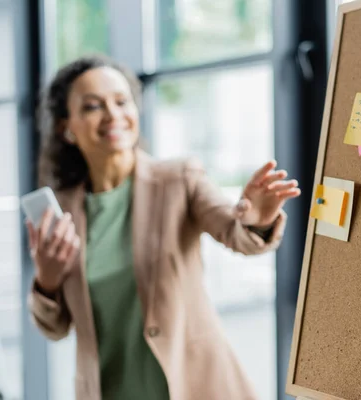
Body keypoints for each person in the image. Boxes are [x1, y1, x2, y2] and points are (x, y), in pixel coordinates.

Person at [26, 54, 301, 400]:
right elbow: (54, 328)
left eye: (122, 101)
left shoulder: (178, 179)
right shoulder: (60, 212)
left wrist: (257, 220)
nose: (113, 115)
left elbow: (235, 231)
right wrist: (46, 281)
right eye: (93, 106)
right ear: (67, 127)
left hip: (197, 387)